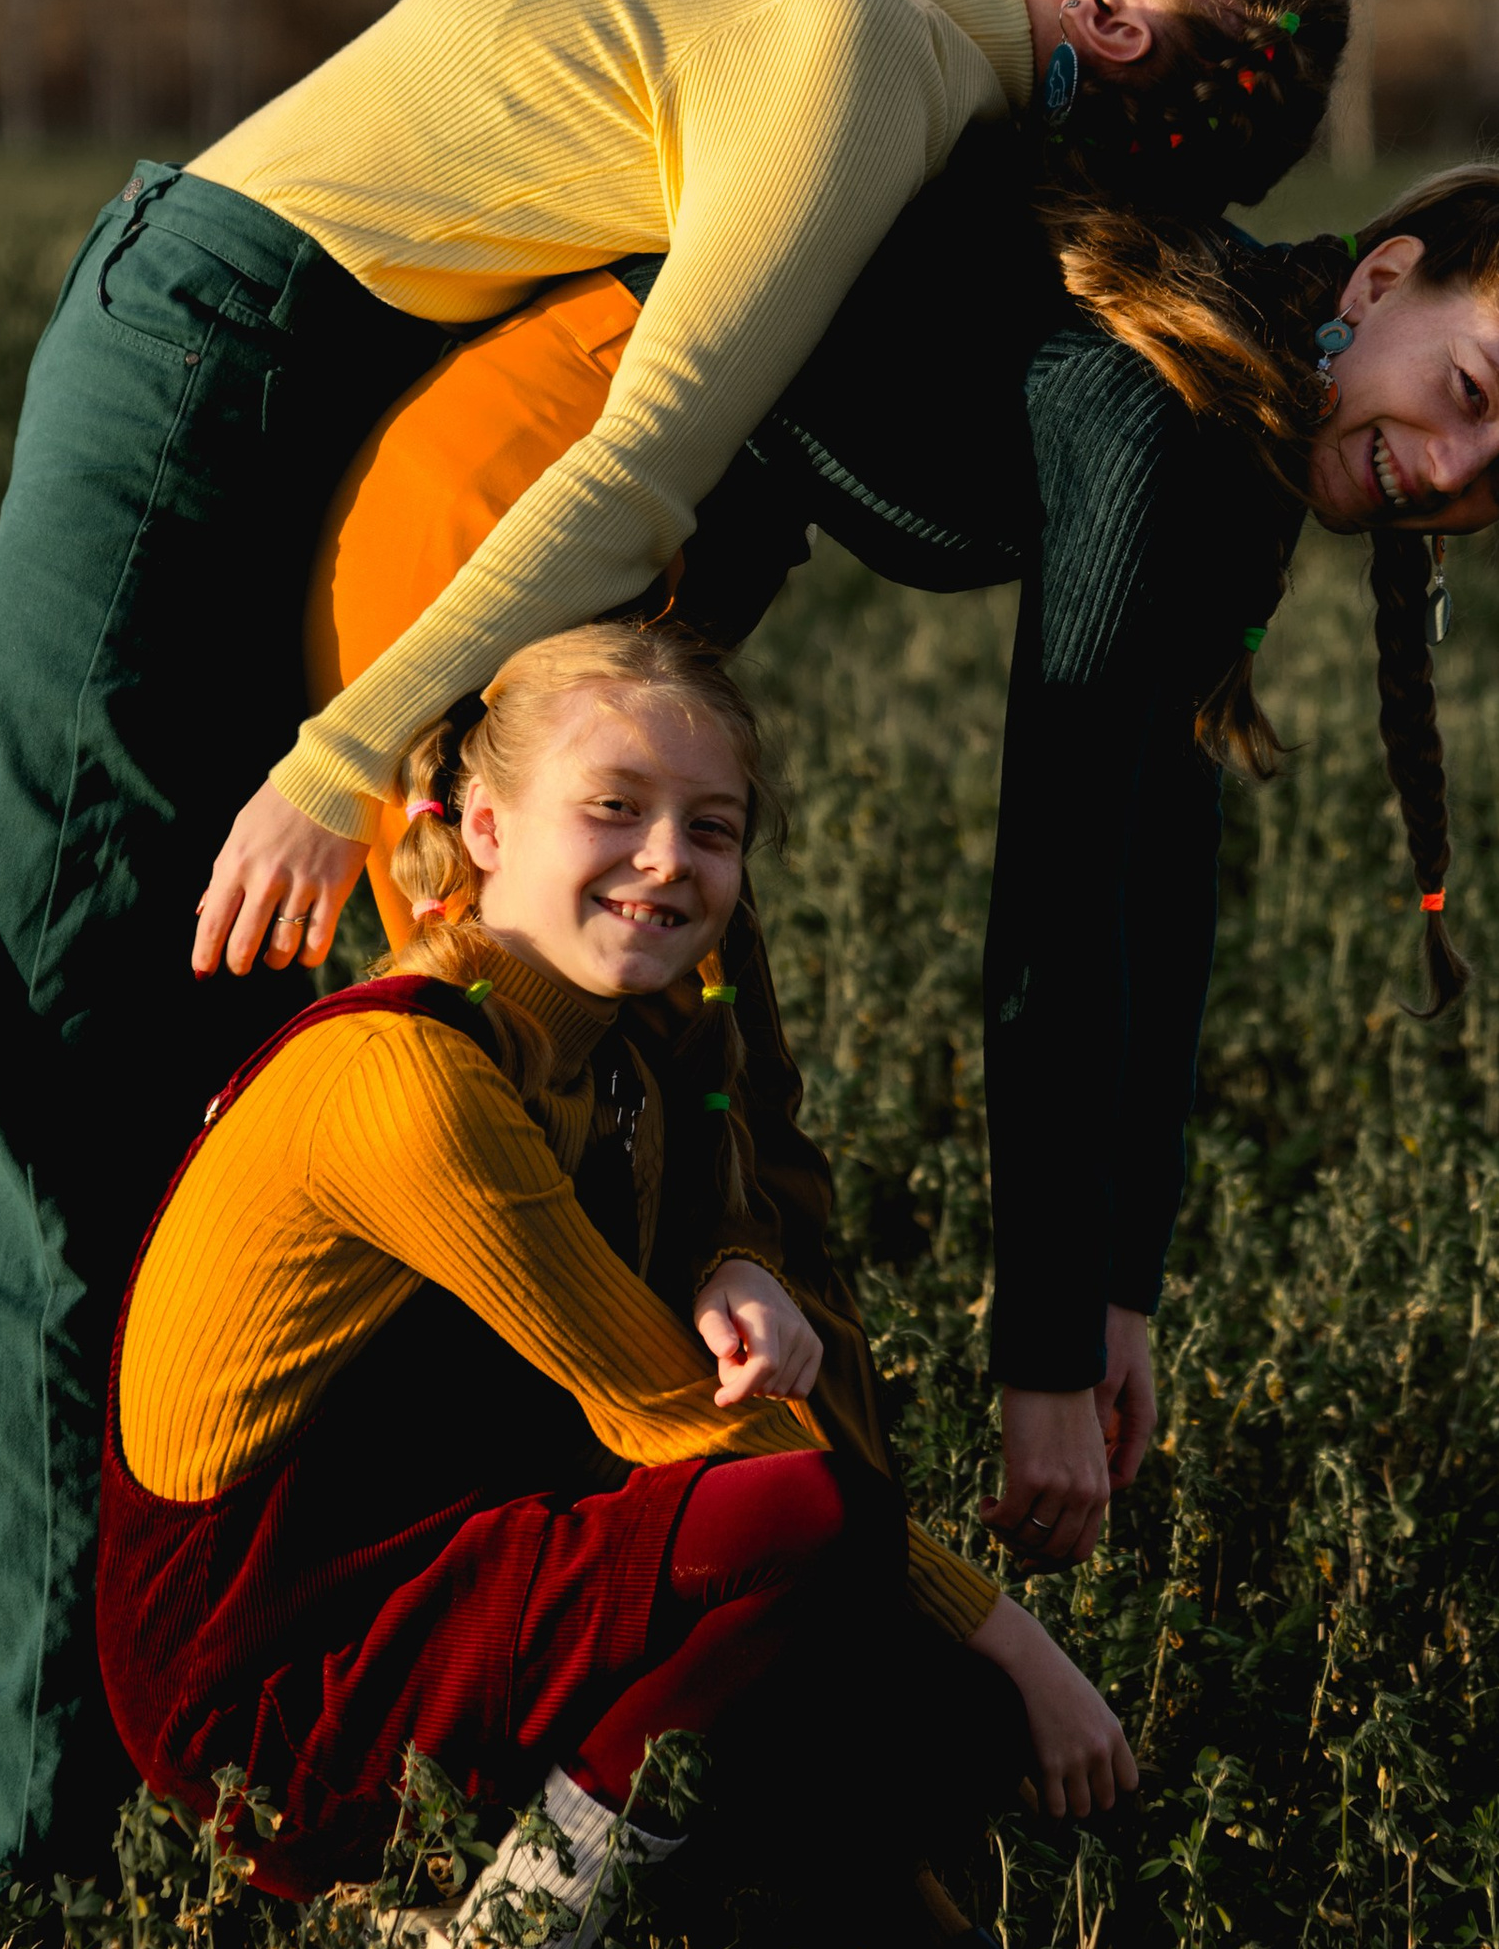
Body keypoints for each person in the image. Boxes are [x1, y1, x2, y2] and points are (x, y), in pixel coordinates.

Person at [0, 0, 1343, 1876]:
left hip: (205, 400)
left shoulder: (857, 56)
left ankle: (1, 1867)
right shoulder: (893, 43)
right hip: (280, 440)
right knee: (124, 1151)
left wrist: (345, 753)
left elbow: (637, 456)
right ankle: (146, 1809)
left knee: (17, 1156)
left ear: (1111, 18)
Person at [298, 151, 1499, 1579]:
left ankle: (747, 1656)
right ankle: (469, 1665)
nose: (1449, 473)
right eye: (1466, 395)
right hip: (525, 491)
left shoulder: (1243, 418)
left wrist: (1115, 1288)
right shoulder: (1166, 408)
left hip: (634, 583)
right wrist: (1044, 1366)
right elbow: (1062, 899)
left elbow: (1160, 867)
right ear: (1384, 282)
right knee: (564, 1153)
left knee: (734, 1168)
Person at [97, 625, 1131, 1939]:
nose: (666, 860)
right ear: (482, 826)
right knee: (805, 1529)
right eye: (614, 809)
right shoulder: (406, 1082)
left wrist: (732, 1261)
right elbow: (669, 1420)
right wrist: (1015, 1638)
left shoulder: (637, 1045)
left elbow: (718, 1192)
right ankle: (514, 1927)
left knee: (926, 1709)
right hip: (263, 1691)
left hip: (437, 1574)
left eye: (712, 827)